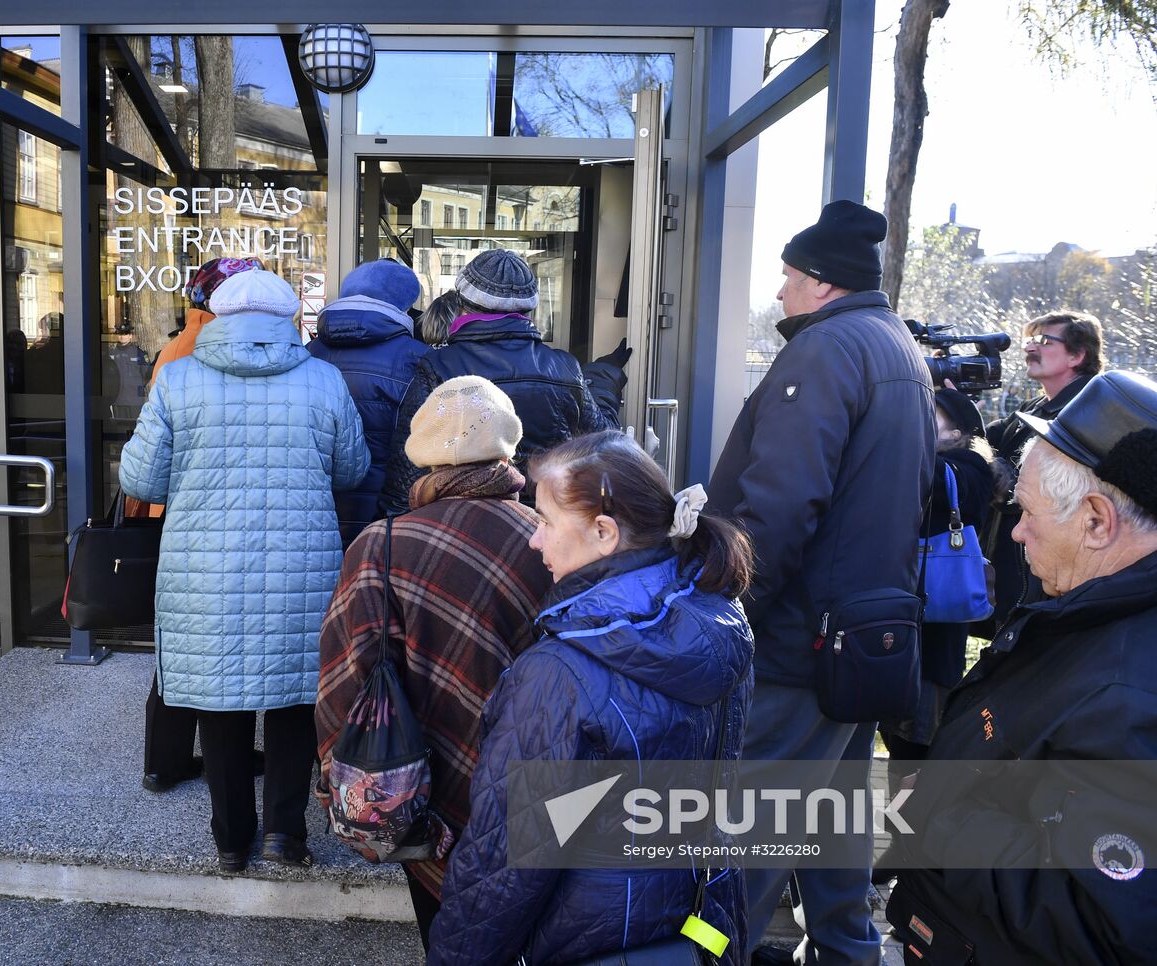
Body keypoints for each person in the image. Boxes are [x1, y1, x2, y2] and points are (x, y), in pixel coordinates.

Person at [705, 200, 933, 966]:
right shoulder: (896, 346)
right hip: (865, 636)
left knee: (753, 830)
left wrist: (733, 610)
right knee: (832, 811)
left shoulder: (826, 350)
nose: (779, 292)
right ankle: (846, 951)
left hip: (804, 640)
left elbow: (782, 501)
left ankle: (711, 954)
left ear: (823, 284)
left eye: (789, 276)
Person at [429, 429, 754, 966]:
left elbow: (506, 864)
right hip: (703, 933)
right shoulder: (720, 619)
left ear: (604, 532)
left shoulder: (560, 674)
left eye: (547, 522)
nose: (534, 541)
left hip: (585, 942)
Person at [887, 370, 1157, 965]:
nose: (1016, 530)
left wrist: (936, 815)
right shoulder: (1085, 615)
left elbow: (1104, 919)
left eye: (1029, 511)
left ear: (1096, 521)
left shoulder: (1129, 693)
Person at [119, 268, 369, 873]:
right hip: (301, 569)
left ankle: (232, 842)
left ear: (219, 317)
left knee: (219, 703)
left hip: (204, 573)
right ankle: (287, 836)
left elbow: (142, 481)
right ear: (290, 319)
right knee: (293, 703)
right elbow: (353, 470)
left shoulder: (177, 380)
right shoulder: (324, 379)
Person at [316, 375, 551, 950]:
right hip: (535, 780)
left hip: (418, 782)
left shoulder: (381, 543)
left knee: (444, 930)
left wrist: (336, 778)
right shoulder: (550, 538)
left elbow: (346, 675)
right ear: (507, 449)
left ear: (421, 457)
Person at [133, 256, 266, 794]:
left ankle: (165, 762)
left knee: (187, 642)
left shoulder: (183, 344)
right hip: (196, 515)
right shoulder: (199, 352)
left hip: (189, 515)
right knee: (188, 647)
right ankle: (167, 761)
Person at [875, 389, 1009, 880]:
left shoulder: (967, 470)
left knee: (918, 750)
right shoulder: (939, 461)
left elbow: (926, 483)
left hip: (935, 636)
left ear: (957, 428)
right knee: (899, 744)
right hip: (906, 626)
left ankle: (916, 853)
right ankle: (904, 848)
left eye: (927, 416)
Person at [380, 249, 624, 514]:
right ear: (530, 309)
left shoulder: (438, 366)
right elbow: (605, 442)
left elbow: (408, 466)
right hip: (544, 524)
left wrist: (392, 533)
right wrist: (602, 376)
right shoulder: (564, 368)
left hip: (463, 526)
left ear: (461, 303)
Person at [981, 310, 1104, 633]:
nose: (1030, 348)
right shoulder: (1034, 408)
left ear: (1078, 355)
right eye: (1030, 339)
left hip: (1051, 582)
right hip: (1017, 573)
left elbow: (1024, 490)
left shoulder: (1088, 412)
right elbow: (984, 442)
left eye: (1044, 340)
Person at [307, 259, 432, 547]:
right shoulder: (419, 360)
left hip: (318, 515)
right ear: (404, 304)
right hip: (388, 519)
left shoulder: (306, 354)